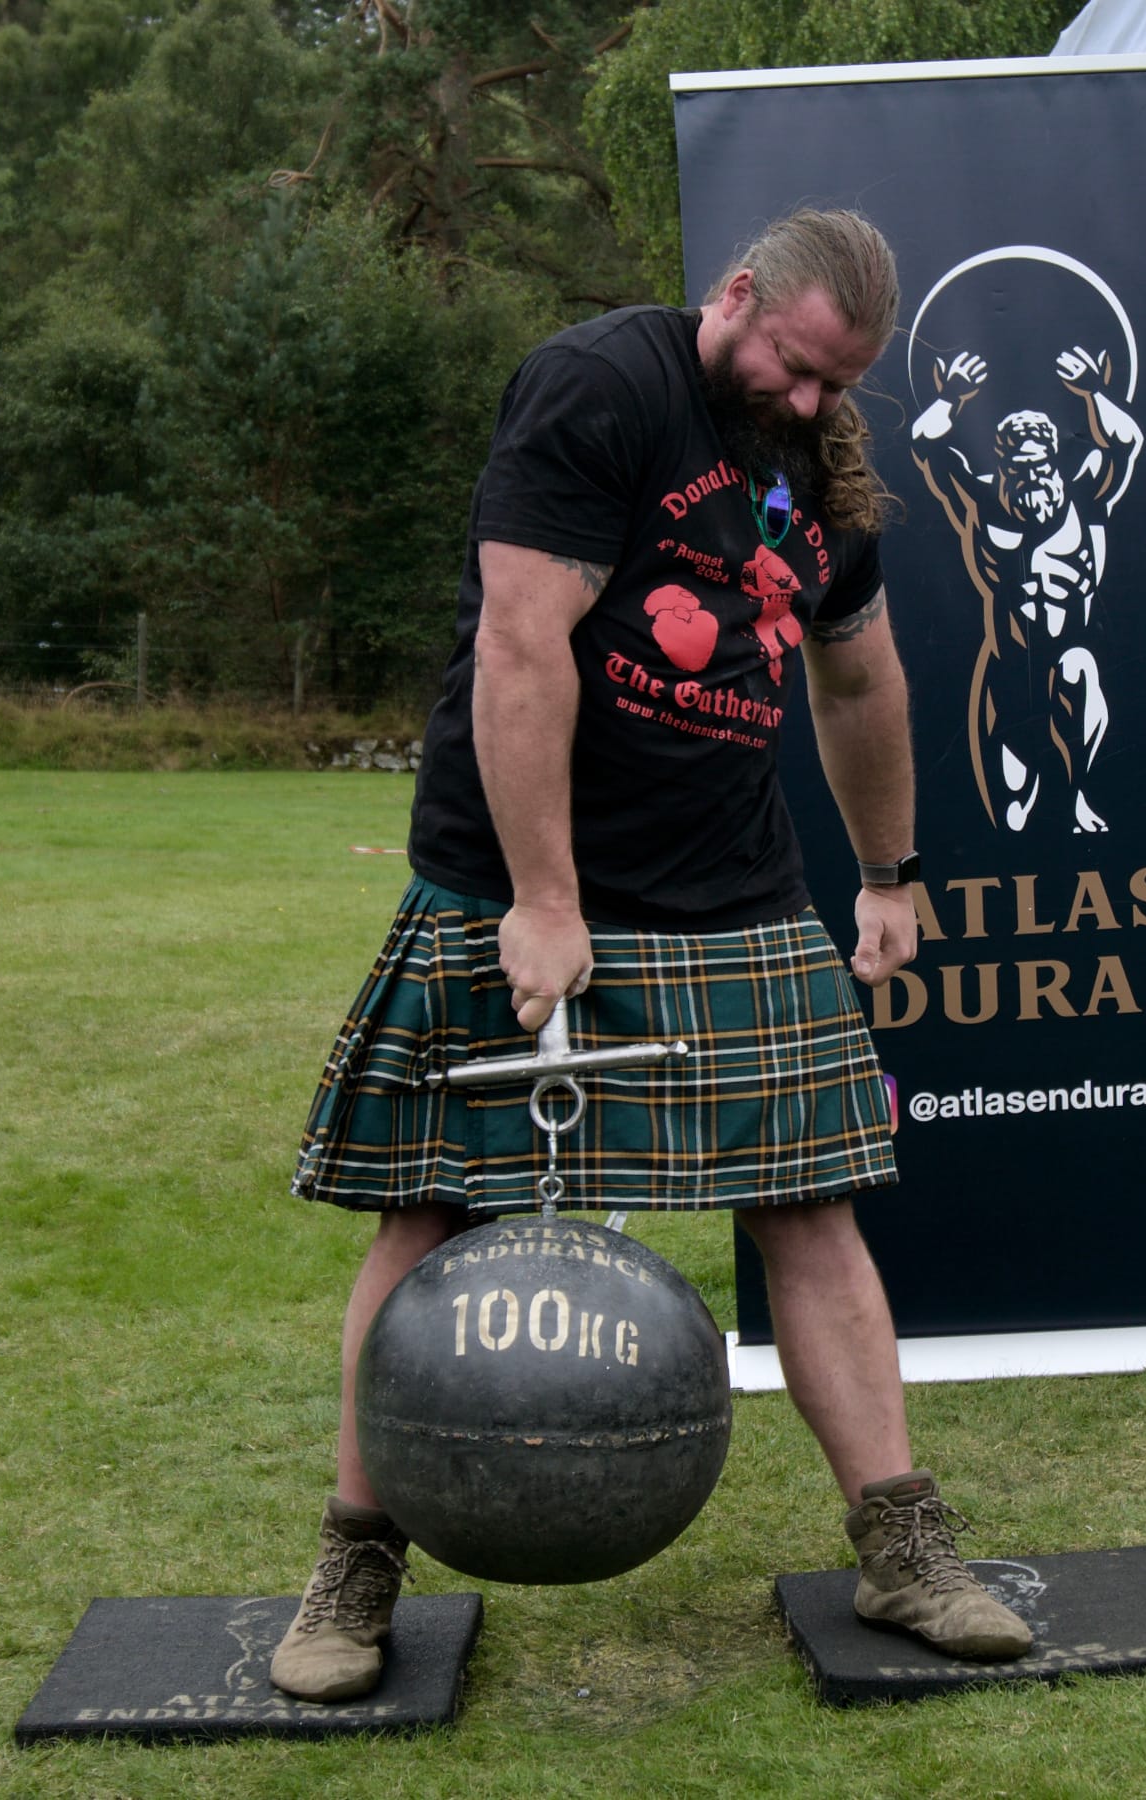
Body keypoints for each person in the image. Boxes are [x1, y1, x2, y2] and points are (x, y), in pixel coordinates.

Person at [271, 209, 1033, 1703]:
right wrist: (546, 899)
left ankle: (904, 1550)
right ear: (736, 294)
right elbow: (520, 643)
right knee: (427, 1217)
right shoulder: (598, 389)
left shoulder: (826, 461)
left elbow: (860, 676)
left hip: (730, 889)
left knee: (810, 1212)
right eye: (796, 367)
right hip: (514, 870)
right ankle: (355, 1568)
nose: (809, 403)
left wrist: (890, 872)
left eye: (838, 383)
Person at [910, 345, 1142, 834]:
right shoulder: (982, 500)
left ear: (1055, 459)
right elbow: (926, 443)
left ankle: (1078, 796)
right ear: (1003, 464)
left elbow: (1126, 443)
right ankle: (1021, 819)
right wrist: (951, 397)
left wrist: (1095, 392)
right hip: (1011, 658)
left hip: (1069, 648)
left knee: (1078, 672)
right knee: (1010, 811)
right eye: (1017, 468)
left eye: (1038, 466)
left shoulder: (1085, 495)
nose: (1029, 477)